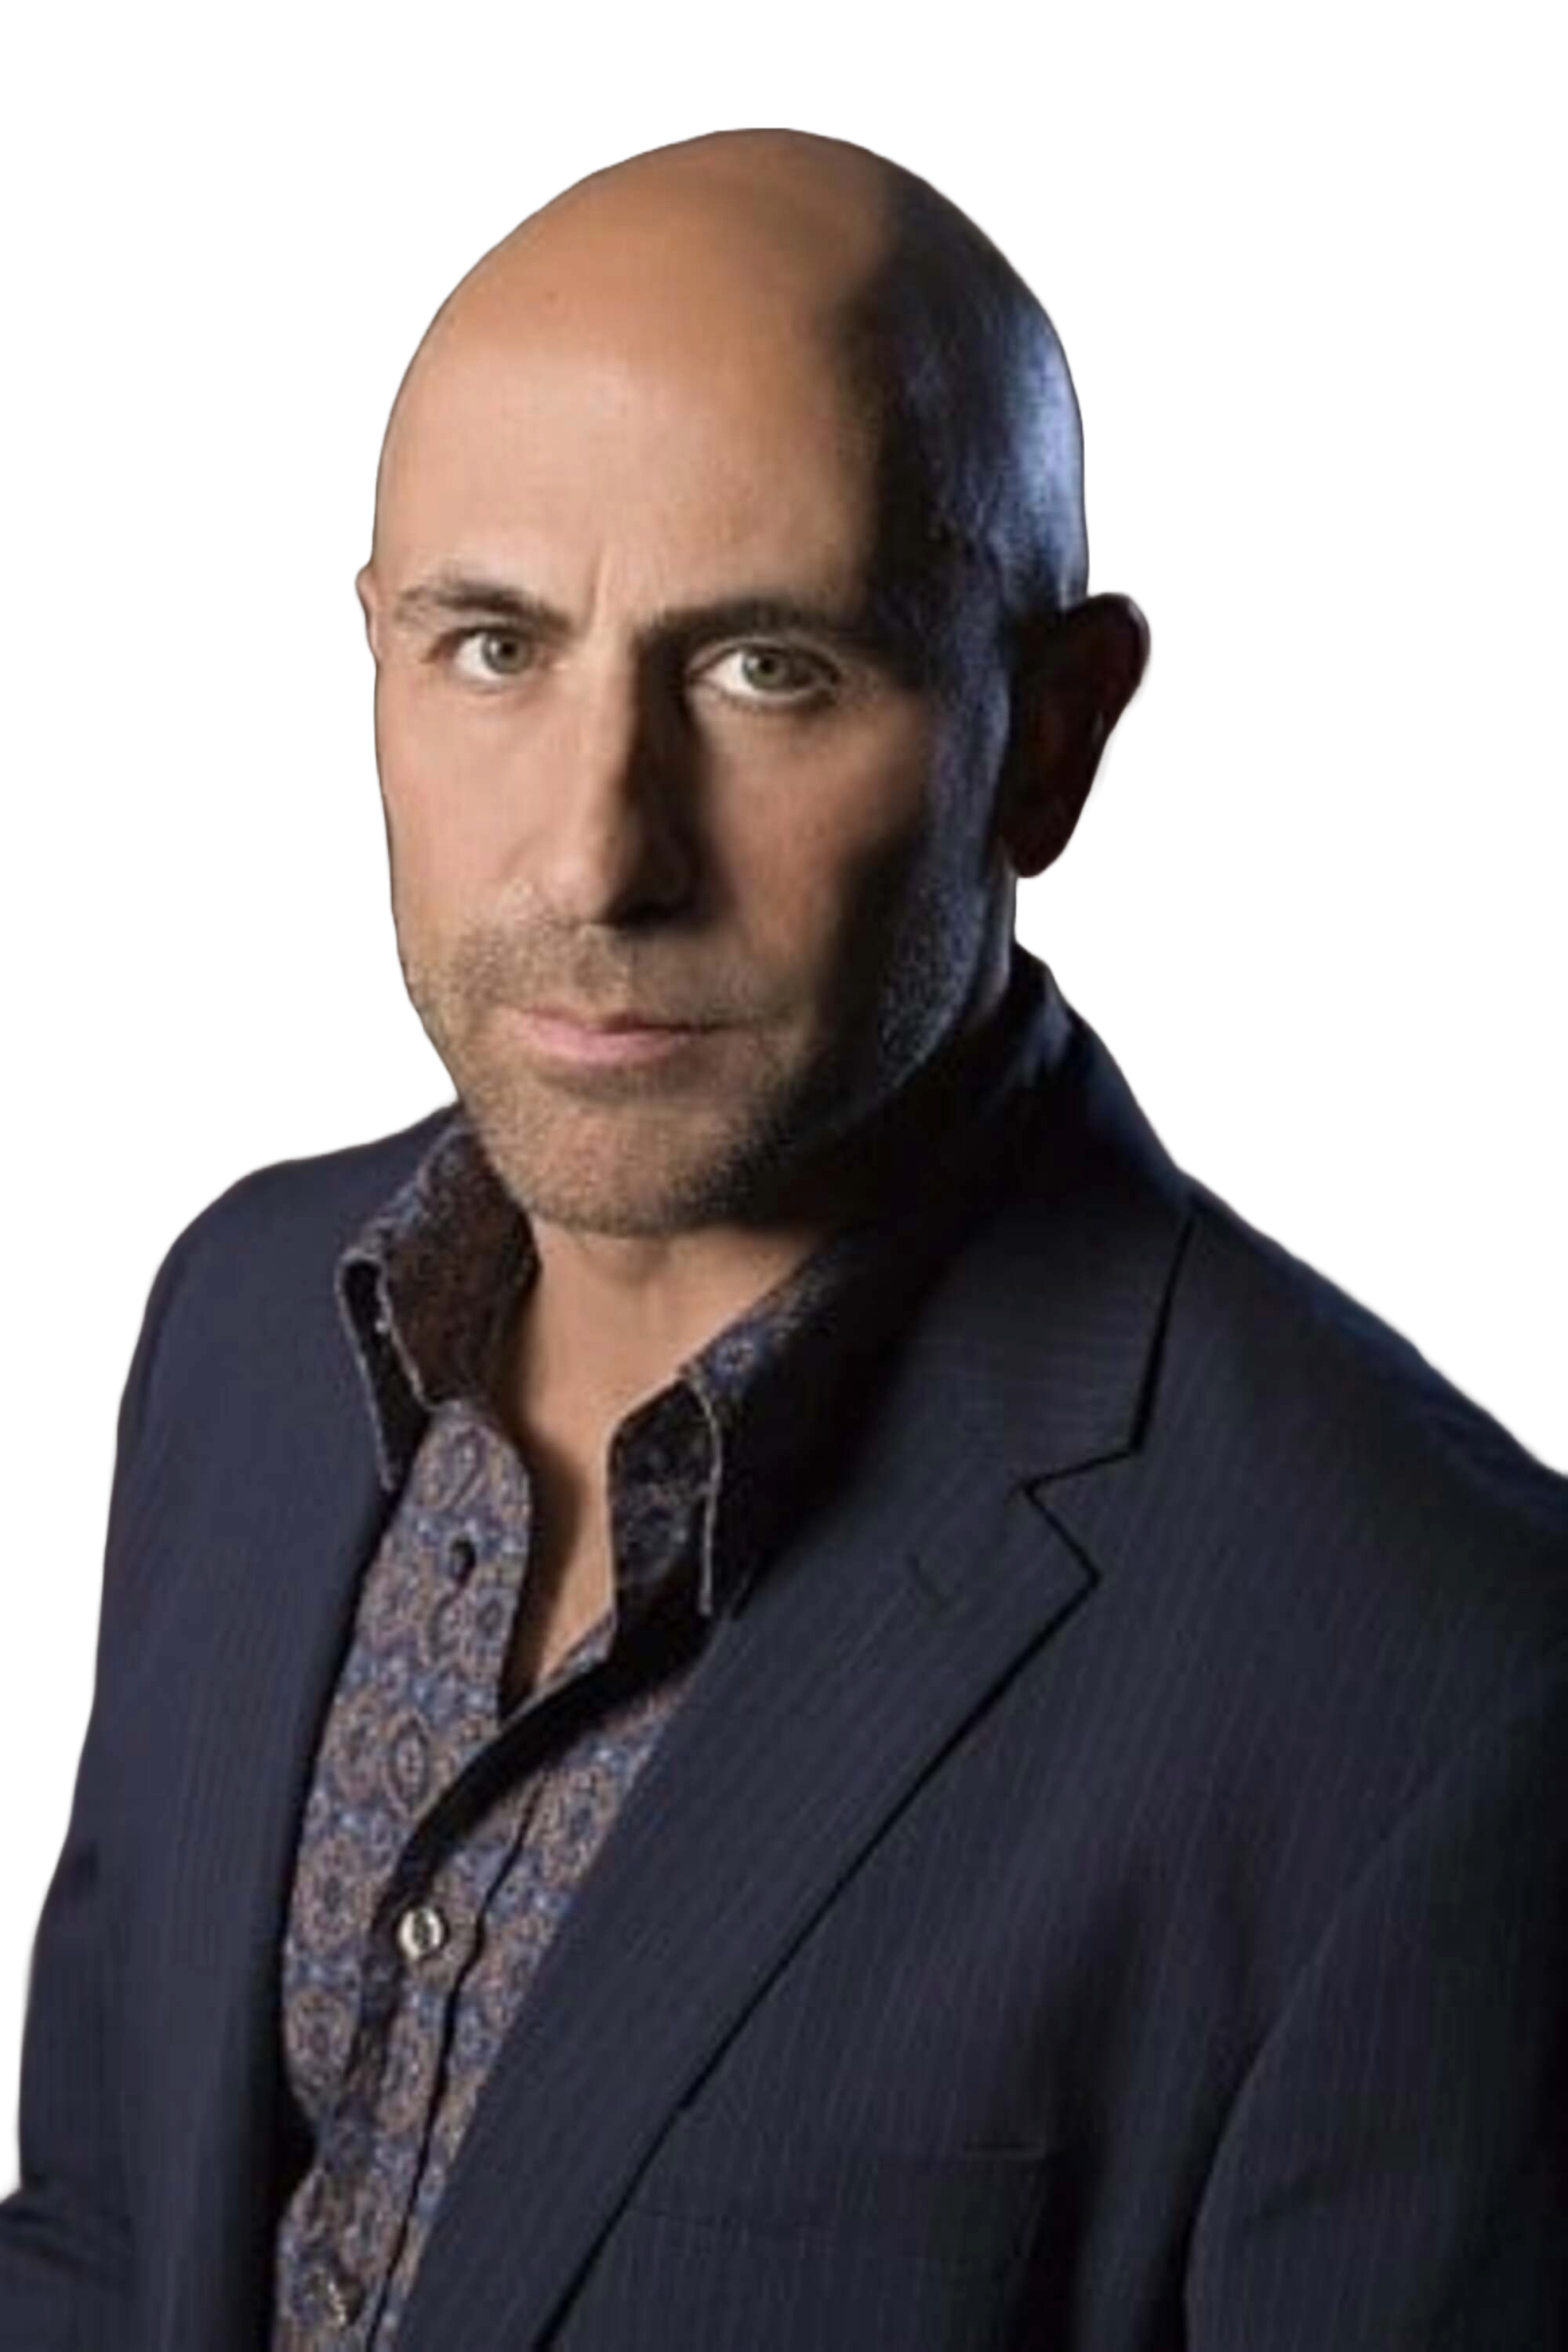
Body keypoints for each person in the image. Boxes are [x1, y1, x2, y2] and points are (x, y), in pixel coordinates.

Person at [4, 125, 1563, 2352]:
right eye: (492, 646)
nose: (598, 857)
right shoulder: (238, 1319)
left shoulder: (1448, 1676)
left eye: (767, 671)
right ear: (372, 659)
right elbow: (100, 2226)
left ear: (1055, 740)